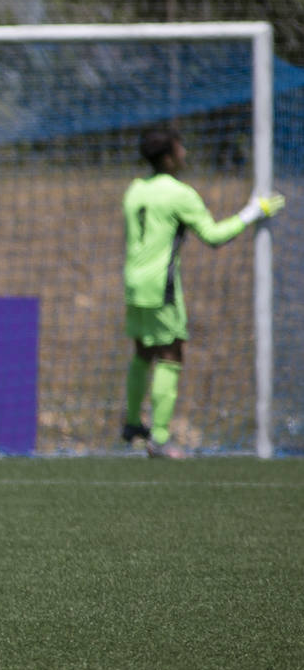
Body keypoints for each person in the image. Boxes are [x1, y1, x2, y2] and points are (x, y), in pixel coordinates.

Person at [121, 125, 284, 459]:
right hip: (159, 285)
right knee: (171, 354)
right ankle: (160, 439)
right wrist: (252, 212)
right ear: (168, 156)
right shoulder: (179, 193)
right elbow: (213, 235)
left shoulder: (134, 190)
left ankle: (133, 425)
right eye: (181, 148)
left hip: (133, 280)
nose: (185, 153)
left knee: (142, 352)